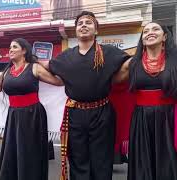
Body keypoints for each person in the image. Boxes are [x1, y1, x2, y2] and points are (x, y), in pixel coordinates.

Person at [38, 11, 131, 180]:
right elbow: (45, 65)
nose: (84, 25)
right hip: (75, 115)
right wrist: (27, 61)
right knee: (78, 160)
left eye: (88, 22)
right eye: (80, 23)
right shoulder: (66, 57)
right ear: (76, 31)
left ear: (96, 30)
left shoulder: (109, 53)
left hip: (103, 114)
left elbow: (130, 66)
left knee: (101, 160)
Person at [113, 22, 177, 180]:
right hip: (141, 121)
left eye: (155, 29)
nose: (149, 32)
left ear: (165, 36)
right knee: (143, 167)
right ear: (142, 39)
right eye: (145, 31)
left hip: (170, 121)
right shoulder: (132, 64)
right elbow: (110, 83)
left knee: (170, 167)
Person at [0, 38, 63, 180]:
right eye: (10, 47)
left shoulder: (34, 67)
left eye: (14, 47)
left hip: (33, 115)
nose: (10, 50)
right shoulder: (8, 71)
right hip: (13, 116)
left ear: (24, 50)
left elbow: (58, 82)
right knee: (12, 152)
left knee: (30, 152)